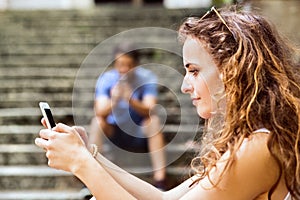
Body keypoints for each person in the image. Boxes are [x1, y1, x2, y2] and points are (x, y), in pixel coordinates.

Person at [35, 5, 300, 199]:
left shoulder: (259, 146)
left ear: (232, 71)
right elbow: (163, 198)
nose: (184, 86)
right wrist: (90, 155)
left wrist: (82, 163)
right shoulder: (246, 141)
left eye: (194, 71)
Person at [88, 42, 167, 189]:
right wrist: (115, 100)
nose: (123, 69)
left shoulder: (146, 77)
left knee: (154, 121)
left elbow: (151, 109)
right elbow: (99, 111)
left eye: (128, 65)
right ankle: (91, 178)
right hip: (115, 133)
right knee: (97, 122)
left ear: (136, 65)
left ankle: (160, 180)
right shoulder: (107, 79)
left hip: (138, 132)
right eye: (120, 64)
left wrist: (130, 99)